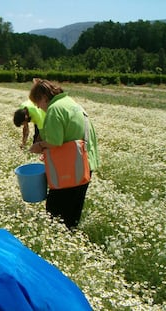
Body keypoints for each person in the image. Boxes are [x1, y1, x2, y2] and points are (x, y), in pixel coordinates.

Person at [28, 78, 99, 229]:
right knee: (73, 213)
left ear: (44, 98)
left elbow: (55, 142)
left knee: (55, 213)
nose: (39, 108)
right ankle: (71, 238)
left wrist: (39, 146)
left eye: (38, 103)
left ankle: (54, 241)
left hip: (70, 169)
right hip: (85, 165)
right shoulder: (71, 103)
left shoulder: (55, 109)